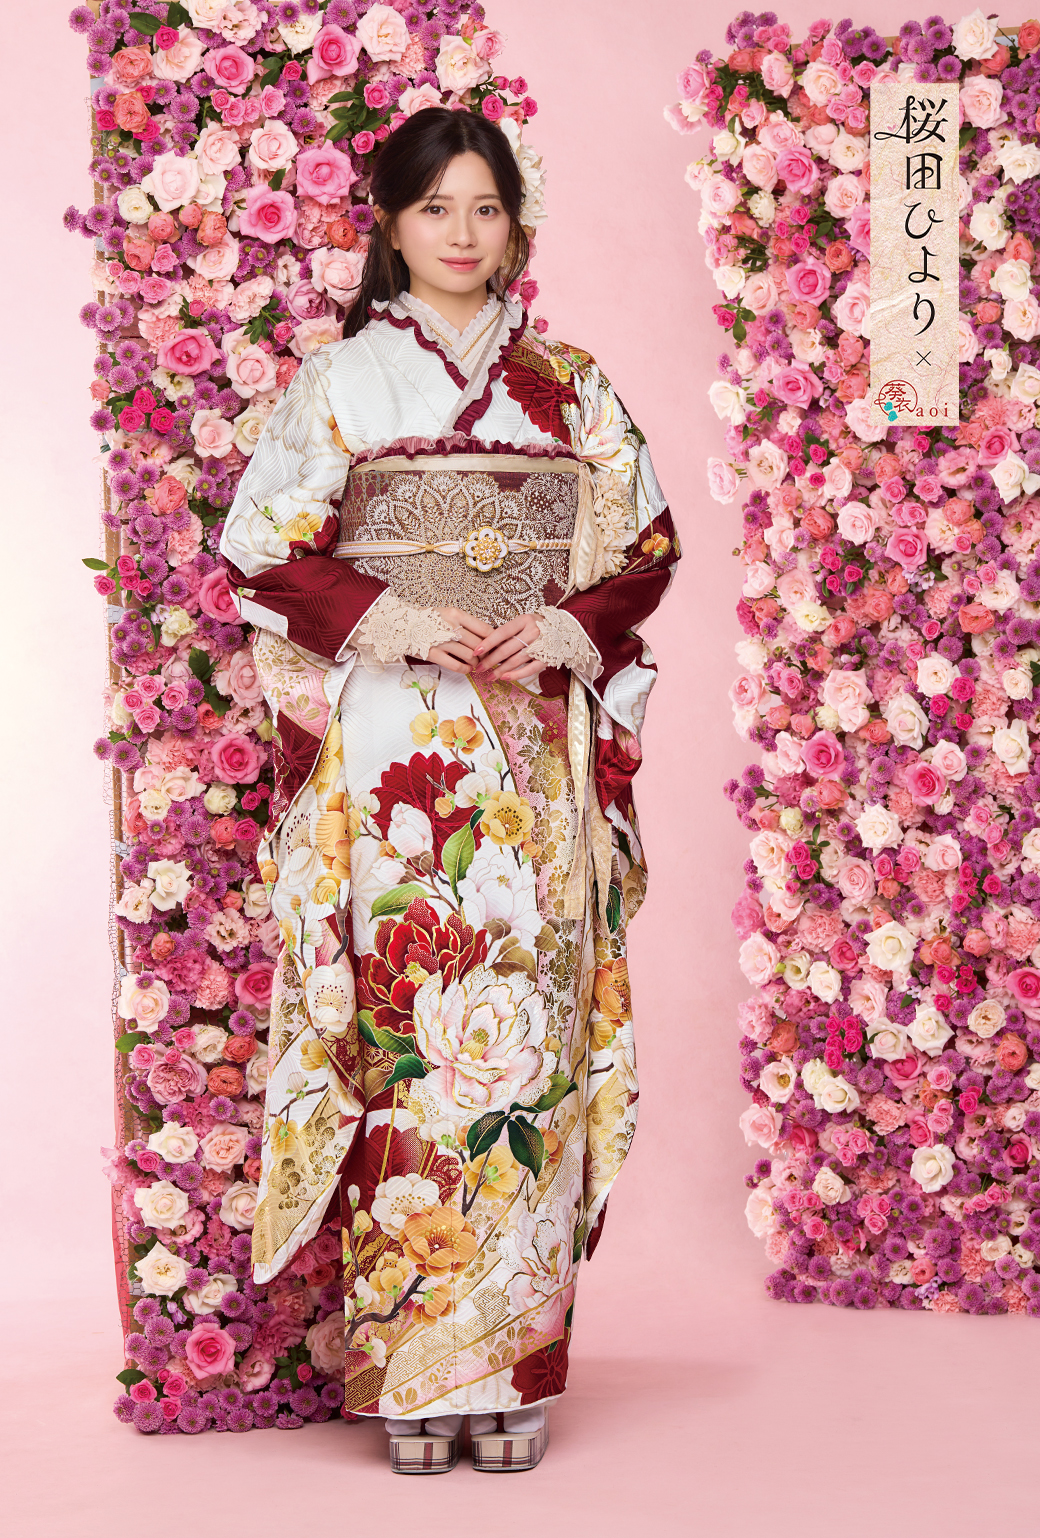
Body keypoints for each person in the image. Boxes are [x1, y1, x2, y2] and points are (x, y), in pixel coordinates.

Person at [220, 105, 679, 1473]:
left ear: (514, 222)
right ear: (390, 224)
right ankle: (416, 1372)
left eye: (485, 207)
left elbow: (646, 544)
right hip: (400, 742)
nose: (463, 234)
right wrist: (389, 617)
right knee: (415, 1032)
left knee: (531, 1033)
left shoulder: (569, 383)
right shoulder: (341, 378)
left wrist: (572, 627)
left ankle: (513, 1361)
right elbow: (261, 547)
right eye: (436, 209)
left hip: (532, 736)